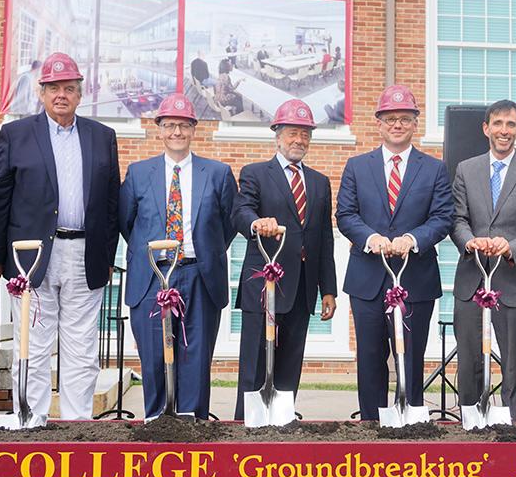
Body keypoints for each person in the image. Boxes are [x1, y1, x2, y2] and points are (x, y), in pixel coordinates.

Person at [0, 52, 120, 421]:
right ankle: (30, 420)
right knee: (33, 343)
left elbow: (111, 204)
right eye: (54, 88)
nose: (62, 95)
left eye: (69, 88)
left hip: (84, 254)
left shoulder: (102, 137)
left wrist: (107, 258)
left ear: (80, 94)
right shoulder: (16, 134)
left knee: (82, 347)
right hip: (31, 256)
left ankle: (77, 425)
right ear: (41, 93)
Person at [336, 85, 454, 420]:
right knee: (370, 358)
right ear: (379, 123)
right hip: (368, 281)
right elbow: (345, 214)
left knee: (411, 358)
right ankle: (371, 426)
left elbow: (443, 217)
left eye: (404, 118)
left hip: (416, 279)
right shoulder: (357, 166)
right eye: (390, 118)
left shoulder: (434, 169)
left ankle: (409, 424)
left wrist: (413, 239)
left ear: (415, 123)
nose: (397, 124)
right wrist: (370, 237)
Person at [119, 94, 237, 420]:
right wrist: (156, 255)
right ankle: (157, 421)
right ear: (159, 129)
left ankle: (193, 424)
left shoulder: (217, 173)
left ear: (194, 129)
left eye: (184, 125)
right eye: (170, 125)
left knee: (195, 356)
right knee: (154, 355)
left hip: (199, 274)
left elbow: (227, 225)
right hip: (152, 277)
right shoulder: (139, 173)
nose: (177, 132)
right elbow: (127, 223)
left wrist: (204, 251)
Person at [232, 100, 337, 420]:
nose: (299, 140)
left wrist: (328, 290)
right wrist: (256, 223)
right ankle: (246, 423)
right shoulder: (255, 173)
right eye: (292, 133)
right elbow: (241, 211)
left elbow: (324, 239)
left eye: (305, 134)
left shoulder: (319, 182)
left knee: (291, 361)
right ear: (277, 135)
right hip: (264, 285)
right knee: (255, 361)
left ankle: (281, 419)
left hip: (302, 286)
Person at [450, 100, 516, 421]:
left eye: (510, 124)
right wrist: (469, 241)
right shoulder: (465, 169)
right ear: (486, 128)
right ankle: (471, 422)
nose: (503, 130)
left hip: (513, 281)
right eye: (497, 123)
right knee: (469, 361)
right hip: (472, 280)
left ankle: (511, 425)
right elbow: (457, 219)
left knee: (512, 364)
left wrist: (511, 248)